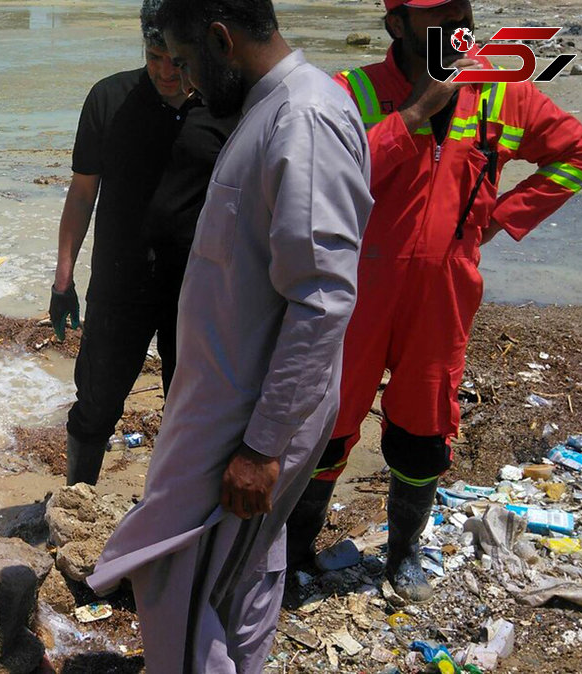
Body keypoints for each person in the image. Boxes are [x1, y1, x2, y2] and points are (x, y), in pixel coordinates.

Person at [85, 0, 373, 670]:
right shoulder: (271, 113)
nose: (182, 79)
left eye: (185, 61)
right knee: (238, 578)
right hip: (228, 412)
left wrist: (262, 448)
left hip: (246, 424)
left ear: (221, 40)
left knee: (186, 590)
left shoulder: (302, 119)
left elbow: (323, 297)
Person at [286, 0, 582, 604]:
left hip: (445, 295)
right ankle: (294, 552)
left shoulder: (503, 93)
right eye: (438, 14)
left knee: (424, 428)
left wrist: (498, 220)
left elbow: (579, 153)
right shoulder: (350, 90)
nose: (458, 23)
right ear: (395, 25)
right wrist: (416, 112)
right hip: (356, 291)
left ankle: (403, 554)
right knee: (327, 424)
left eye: (462, 8)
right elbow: (326, 175)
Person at [50, 0, 237, 486]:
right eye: (154, 57)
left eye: (176, 61)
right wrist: (63, 277)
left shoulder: (225, 109)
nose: (164, 71)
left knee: (189, 409)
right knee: (95, 404)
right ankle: (77, 501)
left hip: (196, 291)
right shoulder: (109, 98)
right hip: (119, 283)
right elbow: (82, 191)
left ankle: (171, 509)